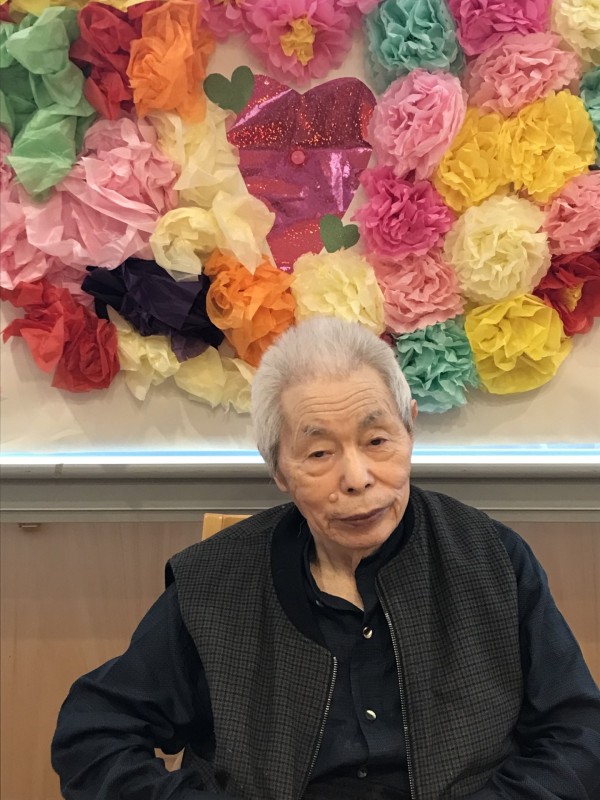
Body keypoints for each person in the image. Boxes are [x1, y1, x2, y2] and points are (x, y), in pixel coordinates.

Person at [52, 316, 600, 800]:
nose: (357, 479)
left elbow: (578, 731)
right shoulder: (214, 581)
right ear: (278, 468)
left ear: (409, 427)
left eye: (378, 441)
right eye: (319, 452)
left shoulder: (492, 558)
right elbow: (93, 733)